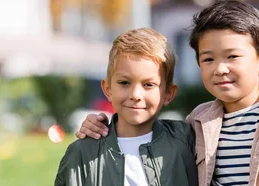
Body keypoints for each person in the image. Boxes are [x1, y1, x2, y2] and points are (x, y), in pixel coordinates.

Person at [73, 0, 259, 185]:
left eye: (232, 56)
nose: (220, 69)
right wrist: (100, 125)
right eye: (208, 59)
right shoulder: (197, 124)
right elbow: (144, 133)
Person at [55, 28, 198, 186]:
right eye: (124, 83)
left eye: (148, 84)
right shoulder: (83, 153)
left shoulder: (186, 140)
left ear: (168, 94)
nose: (135, 95)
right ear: (108, 89)